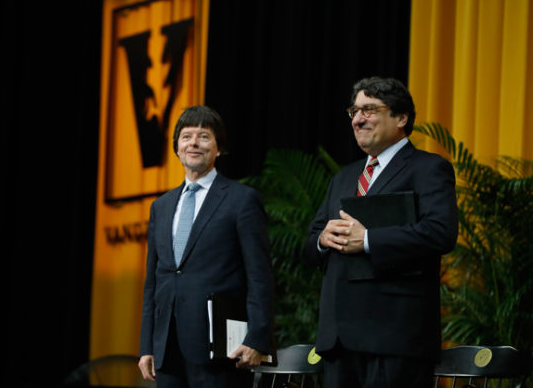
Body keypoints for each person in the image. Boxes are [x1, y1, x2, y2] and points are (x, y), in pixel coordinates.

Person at [305, 77, 458, 387]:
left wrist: (368, 240)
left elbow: (441, 232)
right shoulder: (344, 178)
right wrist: (322, 240)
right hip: (338, 341)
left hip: (395, 337)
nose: (358, 119)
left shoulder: (428, 168)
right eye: (354, 111)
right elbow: (310, 243)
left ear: (401, 118)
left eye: (370, 109)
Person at [138, 105, 274, 387]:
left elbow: (260, 276)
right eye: (186, 136)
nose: (194, 143)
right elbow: (153, 282)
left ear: (219, 148)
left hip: (220, 349)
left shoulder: (241, 200)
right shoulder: (160, 207)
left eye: (204, 136)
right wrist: (147, 345)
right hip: (167, 347)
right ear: (177, 147)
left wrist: (257, 339)